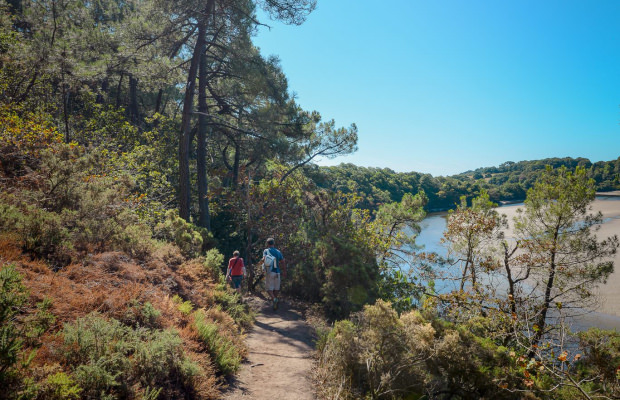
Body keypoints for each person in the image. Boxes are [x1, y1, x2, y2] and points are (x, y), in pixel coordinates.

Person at [262, 238, 285, 310]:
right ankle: (274, 302)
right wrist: (284, 271)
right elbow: (283, 261)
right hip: (277, 272)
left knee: (269, 289)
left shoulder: (266, 250)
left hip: (270, 272)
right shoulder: (278, 252)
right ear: (273, 243)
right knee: (276, 288)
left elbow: (264, 259)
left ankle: (274, 299)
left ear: (267, 244)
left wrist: (262, 266)